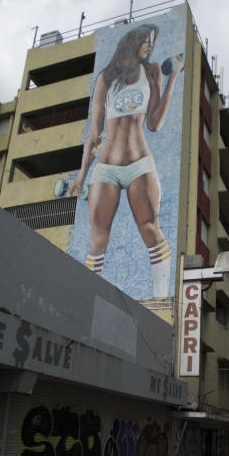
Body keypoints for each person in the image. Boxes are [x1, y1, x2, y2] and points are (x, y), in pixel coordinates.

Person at [69, 23, 184, 298]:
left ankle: (160, 302)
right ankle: (86, 300)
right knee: (98, 237)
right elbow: (95, 133)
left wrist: (172, 79)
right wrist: (82, 177)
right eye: (145, 41)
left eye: (152, 42)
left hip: (139, 165)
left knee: (149, 229)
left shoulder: (152, 71)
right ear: (131, 42)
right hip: (106, 168)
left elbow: (154, 124)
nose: (149, 46)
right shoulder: (106, 78)